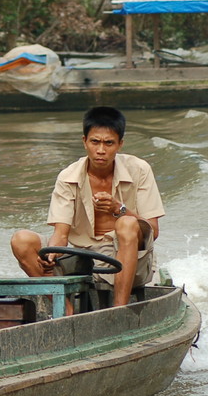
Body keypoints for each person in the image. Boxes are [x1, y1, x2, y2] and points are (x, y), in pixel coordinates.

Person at [10, 106, 164, 307]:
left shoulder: (140, 170)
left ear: (120, 145)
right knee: (21, 240)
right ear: (84, 142)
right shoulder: (68, 177)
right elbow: (61, 234)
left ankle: (118, 310)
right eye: (95, 142)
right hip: (83, 257)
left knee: (127, 223)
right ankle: (66, 311)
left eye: (109, 143)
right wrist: (51, 253)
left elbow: (153, 231)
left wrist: (119, 209)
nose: (101, 150)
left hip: (128, 259)